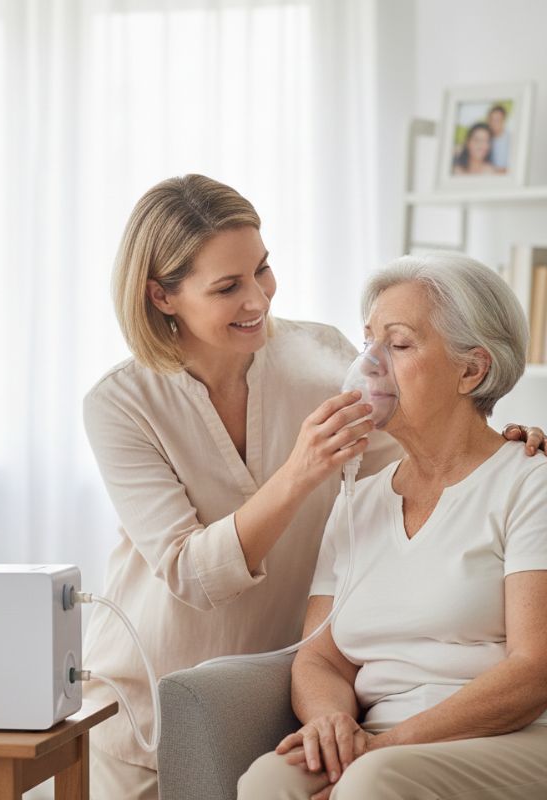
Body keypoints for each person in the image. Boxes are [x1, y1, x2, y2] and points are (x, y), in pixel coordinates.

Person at [82, 176, 544, 799]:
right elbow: (191, 573)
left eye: (263, 271)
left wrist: (504, 441)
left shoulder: (318, 357)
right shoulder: (121, 404)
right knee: (274, 782)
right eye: (227, 287)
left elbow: (431, 453)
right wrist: (302, 470)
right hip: (155, 677)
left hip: (297, 676)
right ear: (162, 297)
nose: (258, 300)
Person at [238, 253, 547, 800]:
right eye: (368, 344)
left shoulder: (529, 483)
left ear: (471, 370)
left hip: (510, 736)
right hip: (383, 742)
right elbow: (319, 655)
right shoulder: (359, 498)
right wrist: (333, 723)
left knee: (371, 783)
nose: (371, 364)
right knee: (267, 781)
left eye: (399, 344)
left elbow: (533, 670)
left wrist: (383, 749)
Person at [487, 104, 510, 172]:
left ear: (503, 120)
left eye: (497, 120)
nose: (494, 123)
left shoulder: (511, 139)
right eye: (492, 120)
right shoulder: (487, 139)